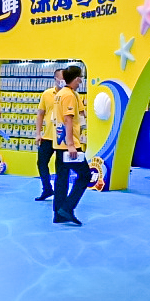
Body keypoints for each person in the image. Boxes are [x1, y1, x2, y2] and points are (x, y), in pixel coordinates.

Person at [49, 65, 90, 226]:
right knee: (85, 175)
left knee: (62, 178)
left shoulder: (60, 94)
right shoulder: (69, 95)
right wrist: (71, 144)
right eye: (80, 78)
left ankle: (58, 213)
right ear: (76, 78)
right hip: (69, 144)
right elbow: (68, 119)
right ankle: (67, 207)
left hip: (59, 143)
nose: (81, 81)